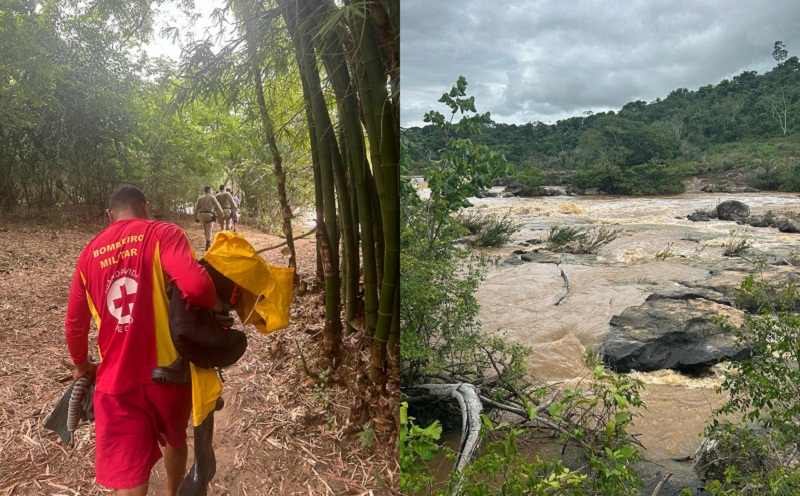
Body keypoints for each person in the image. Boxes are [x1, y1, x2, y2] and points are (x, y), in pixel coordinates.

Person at [65, 185, 224, 496]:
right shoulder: (163, 233)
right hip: (168, 375)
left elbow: (74, 324)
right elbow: (197, 287)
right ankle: (171, 492)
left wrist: (82, 364)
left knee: (129, 470)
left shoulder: (88, 255)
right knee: (175, 441)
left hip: (115, 382)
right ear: (146, 208)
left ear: (110, 215)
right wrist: (217, 304)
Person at [194, 186, 223, 250]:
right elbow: (217, 205)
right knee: (209, 229)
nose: (211, 191)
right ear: (209, 190)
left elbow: (196, 208)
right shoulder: (212, 197)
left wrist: (195, 217)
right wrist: (221, 212)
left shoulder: (200, 198)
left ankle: (207, 241)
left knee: (205, 228)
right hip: (209, 214)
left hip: (202, 215)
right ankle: (208, 244)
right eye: (211, 190)